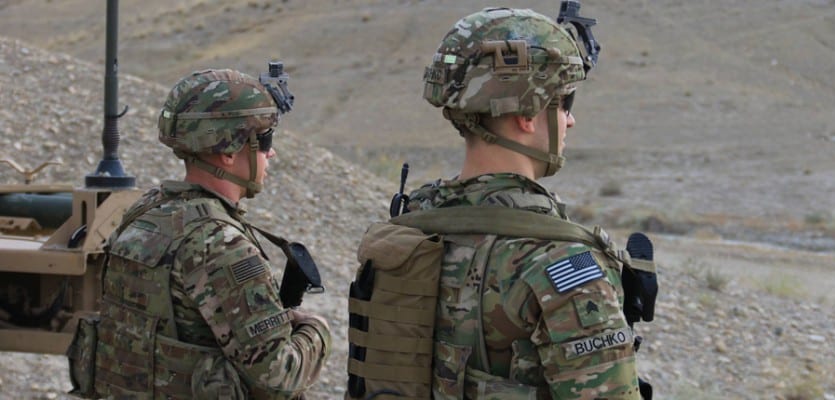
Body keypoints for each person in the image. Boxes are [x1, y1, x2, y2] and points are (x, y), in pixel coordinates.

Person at [352, 7, 643, 400]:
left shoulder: (409, 232)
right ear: (527, 113)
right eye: (564, 102)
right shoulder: (562, 263)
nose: (570, 121)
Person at [92, 68, 331, 399]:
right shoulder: (218, 244)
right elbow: (277, 375)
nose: (271, 152)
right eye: (265, 141)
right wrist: (315, 330)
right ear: (229, 150)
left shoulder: (146, 210)